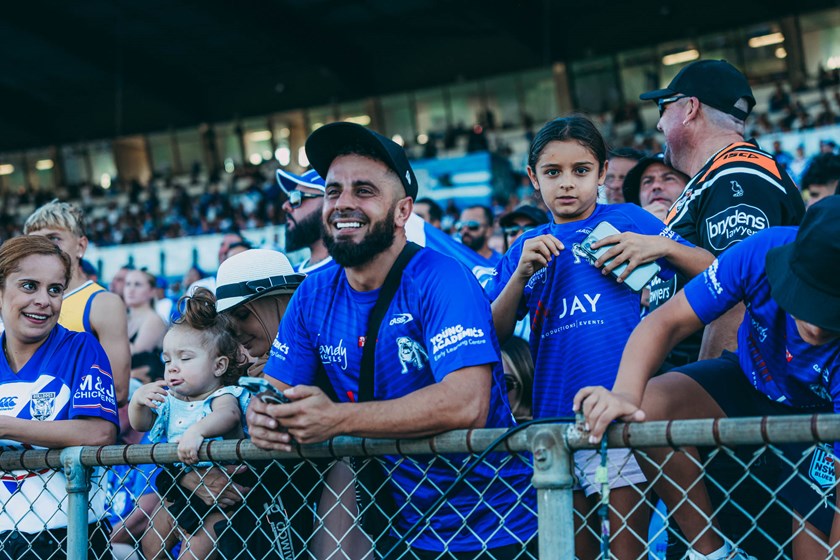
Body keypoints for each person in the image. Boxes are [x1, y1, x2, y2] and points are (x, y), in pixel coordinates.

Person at [247, 122, 537, 557]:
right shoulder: (312, 292)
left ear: (403, 212)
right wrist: (263, 416)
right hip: (395, 528)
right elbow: (277, 391)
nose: (343, 204)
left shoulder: (442, 279)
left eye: (364, 191)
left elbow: (467, 403)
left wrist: (338, 420)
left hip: (493, 525)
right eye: (332, 191)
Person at [486, 115, 712, 559]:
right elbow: (493, 334)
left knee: (628, 553)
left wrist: (662, 246)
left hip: (618, 414)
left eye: (581, 170)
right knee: (573, 553)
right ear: (533, 178)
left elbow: (715, 271)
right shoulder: (525, 246)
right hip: (554, 425)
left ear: (603, 173)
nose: (567, 184)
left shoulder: (627, 220)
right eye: (552, 172)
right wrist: (518, 278)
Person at [575, 197, 840, 560]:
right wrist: (623, 392)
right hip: (752, 379)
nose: (815, 322)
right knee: (646, 404)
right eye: (807, 299)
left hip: (824, 416)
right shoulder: (762, 250)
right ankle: (711, 553)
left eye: (831, 310)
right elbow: (666, 322)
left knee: (821, 551)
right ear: (791, 267)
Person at [641, 60, 806, 361]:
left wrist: (704, 397)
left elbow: (738, 298)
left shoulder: (736, 173)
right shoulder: (720, 175)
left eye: (663, 107)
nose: (659, 124)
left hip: (716, 391)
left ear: (690, 108)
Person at [0, 235, 118, 559]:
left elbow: (99, 432)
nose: (44, 300)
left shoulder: (81, 348)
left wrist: (6, 426)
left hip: (74, 536)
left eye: (55, 289)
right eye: (29, 286)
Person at [129, 288, 250, 560]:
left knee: (193, 555)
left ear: (219, 366)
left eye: (184, 359)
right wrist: (137, 402)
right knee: (150, 546)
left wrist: (198, 430)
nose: (172, 367)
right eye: (167, 360)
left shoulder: (223, 395)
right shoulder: (171, 400)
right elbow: (141, 424)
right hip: (179, 488)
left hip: (222, 497)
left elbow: (227, 415)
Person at [24, 200, 131, 406]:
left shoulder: (102, 303)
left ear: (80, 246)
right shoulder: (20, 300)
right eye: (34, 242)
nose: (43, 248)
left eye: (54, 239)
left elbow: (116, 389)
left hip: (71, 431)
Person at [276, 168, 336, 274]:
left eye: (296, 197)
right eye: (289, 197)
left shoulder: (350, 275)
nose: (285, 206)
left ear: (331, 204)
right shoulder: (288, 275)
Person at [621, 153, 689, 222]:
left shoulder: (699, 227)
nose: (656, 186)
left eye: (668, 178)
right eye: (647, 181)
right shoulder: (619, 230)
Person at [124, 269, 167, 355]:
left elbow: (136, 354)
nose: (131, 289)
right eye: (128, 284)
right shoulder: (124, 318)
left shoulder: (154, 320)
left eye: (137, 285)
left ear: (152, 291)